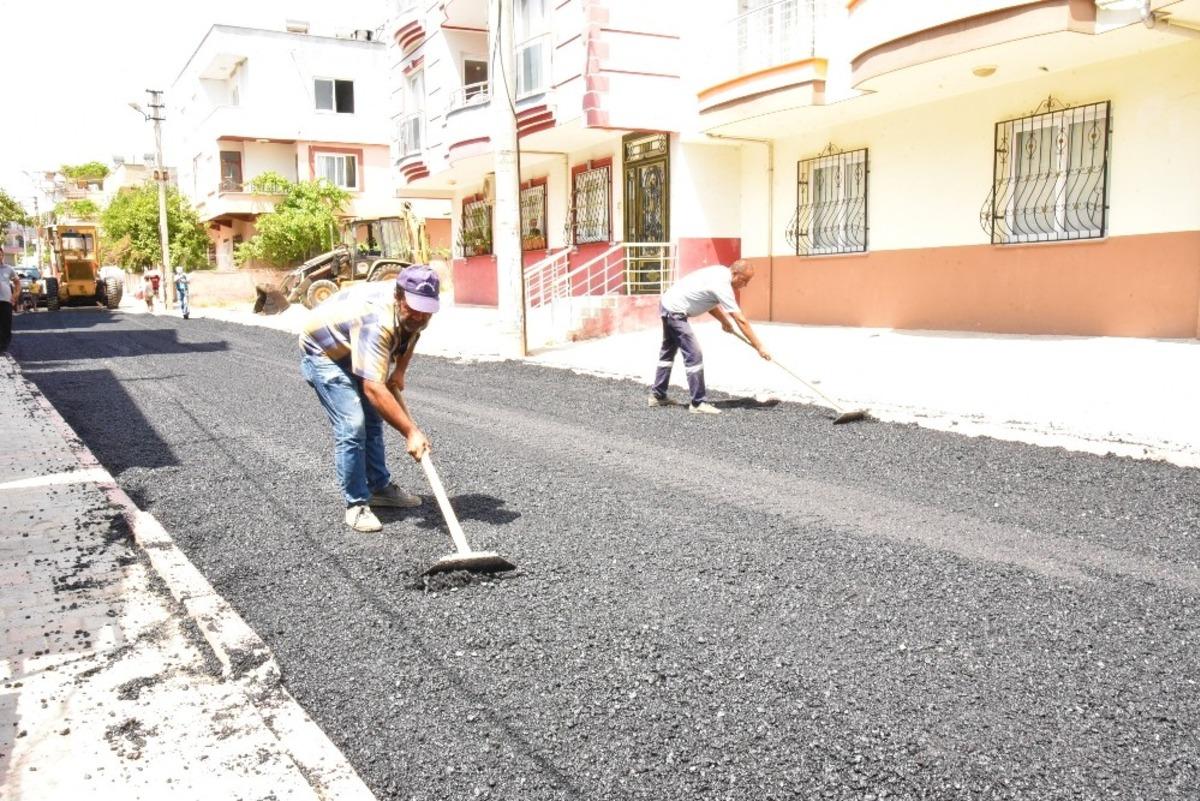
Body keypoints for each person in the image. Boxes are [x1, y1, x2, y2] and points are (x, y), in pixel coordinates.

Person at [299, 265, 440, 532]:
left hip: (355, 341)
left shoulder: (419, 312)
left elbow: (411, 335)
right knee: (353, 425)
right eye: (414, 307)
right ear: (399, 296)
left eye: (426, 308)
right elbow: (373, 388)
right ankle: (356, 504)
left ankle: (379, 488)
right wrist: (411, 431)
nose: (420, 314)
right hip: (324, 351)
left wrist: (399, 370)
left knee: (374, 420)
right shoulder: (377, 319)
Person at [649, 259, 771, 415]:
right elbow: (740, 319)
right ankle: (698, 403)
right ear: (735, 274)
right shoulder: (723, 285)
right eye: (744, 280)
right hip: (675, 311)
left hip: (668, 303)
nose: (745, 285)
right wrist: (759, 346)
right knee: (694, 354)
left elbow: (708, 301)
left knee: (668, 351)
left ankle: (658, 395)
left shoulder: (719, 272)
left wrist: (724, 321)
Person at [0, 262, 18, 351]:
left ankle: (3, 347)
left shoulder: (9, 269)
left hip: (6, 300)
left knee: (6, 324)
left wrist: (15, 296)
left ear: (2, 256)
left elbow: (17, 283)